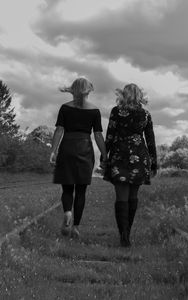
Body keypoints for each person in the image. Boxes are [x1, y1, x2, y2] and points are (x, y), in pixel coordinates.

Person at [50, 77, 107, 238]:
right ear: (88, 91)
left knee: (67, 187)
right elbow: (98, 135)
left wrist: (53, 151)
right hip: (84, 148)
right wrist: (104, 154)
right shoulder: (95, 111)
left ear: (73, 89)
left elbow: (59, 130)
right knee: (81, 190)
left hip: (67, 146)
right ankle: (75, 227)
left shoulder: (65, 108)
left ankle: (67, 212)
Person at [103, 83, 157, 247]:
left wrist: (104, 157)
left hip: (120, 155)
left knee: (121, 197)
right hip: (140, 158)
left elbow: (110, 135)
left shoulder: (116, 111)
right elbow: (150, 140)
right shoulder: (146, 114)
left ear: (124, 95)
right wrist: (154, 163)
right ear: (139, 96)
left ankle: (123, 234)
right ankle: (127, 234)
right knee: (133, 196)